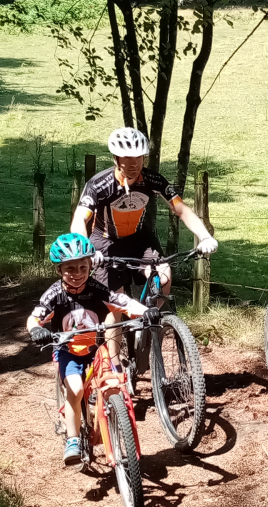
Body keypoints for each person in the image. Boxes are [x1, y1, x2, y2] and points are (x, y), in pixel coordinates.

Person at [71, 126, 218, 363]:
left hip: (139, 241)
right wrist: (86, 250)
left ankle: (149, 335)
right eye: (127, 158)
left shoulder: (152, 179)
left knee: (165, 276)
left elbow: (181, 209)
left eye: (138, 157)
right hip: (104, 243)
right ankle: (115, 366)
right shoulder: (99, 184)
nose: (134, 164)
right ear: (116, 159)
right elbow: (80, 219)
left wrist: (205, 236)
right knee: (115, 304)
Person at [27, 232, 151, 465]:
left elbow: (122, 302)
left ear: (90, 267)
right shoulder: (55, 294)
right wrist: (36, 330)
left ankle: (116, 422)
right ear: (59, 270)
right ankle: (72, 439)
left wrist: (145, 312)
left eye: (82, 268)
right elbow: (35, 317)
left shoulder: (97, 289)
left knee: (113, 381)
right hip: (68, 351)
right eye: (70, 269)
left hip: (97, 349)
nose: (77, 274)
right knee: (75, 390)